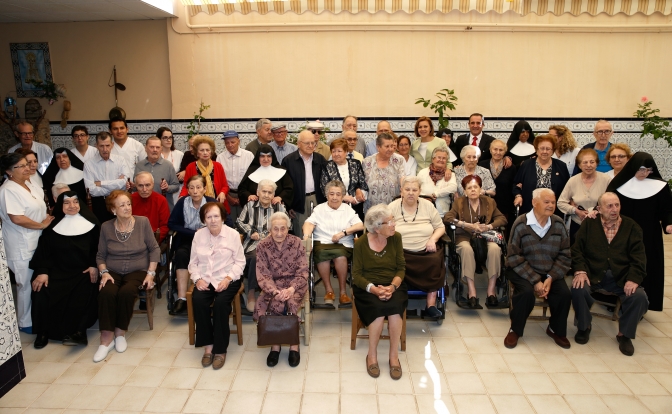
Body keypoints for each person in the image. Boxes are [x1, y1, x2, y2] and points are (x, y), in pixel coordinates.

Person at [571, 192, 649, 355]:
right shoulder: (589, 224)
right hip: (592, 273)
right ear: (599, 208)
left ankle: (624, 334)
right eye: (609, 206)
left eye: (617, 205)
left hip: (621, 277)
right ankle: (584, 326)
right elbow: (577, 250)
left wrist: (634, 279)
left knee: (639, 297)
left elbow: (639, 258)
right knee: (578, 288)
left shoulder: (631, 227)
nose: (614, 209)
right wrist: (580, 270)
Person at [94, 190, 160, 362]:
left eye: (128, 204)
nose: (127, 207)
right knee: (106, 292)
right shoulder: (106, 227)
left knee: (127, 291)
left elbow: (154, 249)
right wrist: (104, 272)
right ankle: (106, 339)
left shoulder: (142, 222)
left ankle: (120, 332)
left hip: (137, 269)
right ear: (113, 210)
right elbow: (100, 255)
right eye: (121, 205)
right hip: (112, 270)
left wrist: (151, 274)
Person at [29, 191, 100, 349]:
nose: (72, 206)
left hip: (82, 271)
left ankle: (79, 332)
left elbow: (98, 248)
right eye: (67, 203)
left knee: (89, 284)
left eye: (75, 201)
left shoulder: (92, 224)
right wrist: (42, 271)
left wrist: (93, 265)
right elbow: (44, 251)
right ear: (60, 206)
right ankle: (43, 332)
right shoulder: (52, 226)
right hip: (56, 271)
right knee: (40, 287)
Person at [505, 188, 572, 349]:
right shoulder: (521, 223)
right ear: (534, 203)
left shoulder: (559, 224)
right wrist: (535, 280)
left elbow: (565, 256)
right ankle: (515, 329)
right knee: (526, 293)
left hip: (550, 271)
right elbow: (513, 256)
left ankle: (555, 329)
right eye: (546, 202)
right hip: (522, 270)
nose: (551, 205)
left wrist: (550, 278)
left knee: (564, 294)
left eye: (553, 202)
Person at [607, 152, 672, 311]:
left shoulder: (660, 186)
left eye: (648, 170)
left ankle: (643, 304)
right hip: (622, 233)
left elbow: (667, 209)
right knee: (621, 265)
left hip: (649, 235)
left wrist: (669, 224)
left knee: (647, 266)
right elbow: (607, 203)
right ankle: (615, 301)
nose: (644, 174)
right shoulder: (620, 184)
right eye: (641, 169)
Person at [0, 153, 53, 333]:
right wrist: (40, 225)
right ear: (8, 172)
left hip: (37, 239)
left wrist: (47, 218)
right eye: (21, 166)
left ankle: (38, 317)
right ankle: (25, 322)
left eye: (26, 164)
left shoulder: (31, 184)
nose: (27, 168)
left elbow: (41, 207)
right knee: (25, 284)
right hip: (20, 243)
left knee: (37, 281)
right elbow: (17, 218)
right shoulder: (8, 190)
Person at [352, 204, 406, 380]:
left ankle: (393, 357)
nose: (393, 224)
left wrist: (392, 286)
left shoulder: (396, 238)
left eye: (393, 220)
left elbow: (401, 268)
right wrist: (374, 289)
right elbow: (357, 275)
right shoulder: (361, 243)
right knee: (376, 311)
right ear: (376, 227)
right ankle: (372, 355)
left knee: (395, 310)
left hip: (393, 284)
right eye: (388, 222)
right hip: (367, 286)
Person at [189, 202, 245, 370]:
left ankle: (220, 351)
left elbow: (240, 263)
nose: (213, 220)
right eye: (208, 217)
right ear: (204, 219)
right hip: (205, 278)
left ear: (222, 218)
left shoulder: (233, 235)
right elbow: (193, 263)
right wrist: (197, 279)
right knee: (198, 300)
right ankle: (208, 346)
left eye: (216, 216)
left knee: (221, 304)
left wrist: (228, 278)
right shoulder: (199, 235)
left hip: (228, 278)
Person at [254, 212, 308, 368]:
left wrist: (291, 289)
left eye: (282, 229)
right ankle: (275, 345)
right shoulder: (263, 246)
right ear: (270, 230)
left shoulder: (297, 242)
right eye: (275, 229)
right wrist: (275, 291)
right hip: (273, 286)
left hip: (295, 284)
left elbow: (303, 271)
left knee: (289, 302)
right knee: (273, 303)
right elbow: (262, 274)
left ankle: (293, 344)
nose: (279, 233)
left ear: (288, 229)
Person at [444, 175, 507, 307]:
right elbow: (448, 218)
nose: (473, 190)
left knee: (495, 249)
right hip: (464, 236)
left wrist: (489, 226)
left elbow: (502, 219)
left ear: (480, 189)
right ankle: (472, 291)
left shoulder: (489, 202)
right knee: (466, 250)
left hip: (485, 236)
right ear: (465, 191)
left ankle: (491, 290)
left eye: (475, 187)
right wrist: (466, 225)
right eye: (469, 188)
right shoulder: (459, 202)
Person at [390, 176, 445, 318]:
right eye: (407, 189)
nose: (411, 193)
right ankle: (394, 301)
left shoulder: (428, 206)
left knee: (435, 260)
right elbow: (383, 227)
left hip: (425, 250)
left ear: (419, 191)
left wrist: (433, 239)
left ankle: (431, 305)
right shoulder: (393, 207)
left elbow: (440, 227)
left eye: (414, 190)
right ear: (401, 191)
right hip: (399, 251)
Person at [303, 180, 364, 306]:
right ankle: (329, 290)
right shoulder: (319, 209)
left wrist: (343, 233)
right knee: (321, 255)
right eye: (331, 194)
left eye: (338, 194)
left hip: (344, 243)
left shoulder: (347, 209)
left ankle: (343, 292)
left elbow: (360, 225)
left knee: (341, 256)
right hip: (323, 241)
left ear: (342, 196)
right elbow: (309, 223)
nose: (335, 197)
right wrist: (306, 235)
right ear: (327, 195)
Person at [236, 179, 289, 312]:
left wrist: (273, 234)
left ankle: (268, 292)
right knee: (256, 256)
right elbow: (239, 222)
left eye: (269, 192)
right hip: (252, 244)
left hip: (274, 246)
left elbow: (288, 226)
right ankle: (251, 292)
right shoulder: (249, 206)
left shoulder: (279, 207)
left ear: (273, 195)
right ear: (257, 192)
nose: (266, 195)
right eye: (263, 191)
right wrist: (250, 232)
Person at [168, 175, 216, 315]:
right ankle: (182, 298)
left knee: (211, 256)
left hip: (209, 240)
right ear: (187, 190)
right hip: (187, 239)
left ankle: (209, 294)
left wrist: (206, 230)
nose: (195, 191)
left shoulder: (211, 203)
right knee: (181, 255)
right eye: (191, 188)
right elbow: (172, 223)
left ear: (204, 189)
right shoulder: (182, 202)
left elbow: (227, 222)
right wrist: (192, 232)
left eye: (198, 187)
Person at [557, 149, 612, 243]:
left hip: (601, 225)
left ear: (597, 163)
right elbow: (561, 203)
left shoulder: (606, 179)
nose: (589, 165)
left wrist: (596, 212)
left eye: (592, 162)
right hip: (578, 225)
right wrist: (576, 211)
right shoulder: (573, 181)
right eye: (585, 162)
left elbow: (612, 202)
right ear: (579, 165)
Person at [282, 131, 327, 239]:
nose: (311, 146)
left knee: (319, 232)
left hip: (318, 200)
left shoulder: (320, 159)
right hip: (298, 204)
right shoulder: (288, 161)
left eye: (313, 143)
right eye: (307, 143)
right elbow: (285, 186)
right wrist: (289, 206)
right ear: (298, 144)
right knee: (302, 235)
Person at [512, 134, 570, 216]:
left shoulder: (561, 166)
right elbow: (516, 184)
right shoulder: (526, 165)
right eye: (542, 148)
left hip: (554, 212)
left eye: (548, 149)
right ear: (536, 150)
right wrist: (518, 196)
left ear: (553, 151)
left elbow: (568, 188)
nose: (545, 151)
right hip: (529, 209)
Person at [83, 132, 132, 224]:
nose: (105, 149)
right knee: (102, 232)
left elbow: (125, 182)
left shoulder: (120, 160)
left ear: (112, 145)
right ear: (96, 146)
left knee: (121, 228)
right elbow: (91, 190)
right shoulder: (88, 164)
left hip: (119, 202)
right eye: (101, 146)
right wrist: (117, 184)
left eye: (107, 145)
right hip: (99, 203)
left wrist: (101, 183)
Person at [320, 138, 368, 220]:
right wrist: (343, 197)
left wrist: (355, 200)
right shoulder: (326, 166)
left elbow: (363, 184)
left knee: (356, 229)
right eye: (333, 151)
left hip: (355, 207)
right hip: (335, 207)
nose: (336, 154)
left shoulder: (355, 163)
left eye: (339, 151)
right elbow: (324, 188)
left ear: (346, 152)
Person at [179, 135, 229, 208]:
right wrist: (182, 196)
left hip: (217, 203)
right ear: (197, 153)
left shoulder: (218, 166)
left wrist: (222, 192)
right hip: (198, 205)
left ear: (211, 152)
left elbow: (225, 186)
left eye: (207, 150)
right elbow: (186, 186)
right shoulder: (190, 167)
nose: (205, 153)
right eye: (202, 150)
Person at [479, 139, 516, 235]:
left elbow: (513, 185)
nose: (498, 152)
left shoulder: (511, 167)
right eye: (495, 149)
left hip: (504, 206)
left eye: (501, 150)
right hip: (484, 205)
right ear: (490, 150)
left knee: (503, 233)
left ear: (505, 152)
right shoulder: (482, 164)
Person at [362, 133, 406, 213]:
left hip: (392, 207)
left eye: (392, 146)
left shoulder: (399, 160)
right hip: (372, 208)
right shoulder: (367, 162)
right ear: (378, 147)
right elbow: (362, 183)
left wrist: (404, 188)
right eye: (387, 146)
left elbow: (402, 177)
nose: (391, 149)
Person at [239, 144, 294, 209]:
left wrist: (280, 197)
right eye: (262, 156)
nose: (266, 159)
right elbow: (242, 189)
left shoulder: (281, 171)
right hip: (255, 210)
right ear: (258, 157)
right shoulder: (251, 172)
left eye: (269, 156)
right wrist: (249, 195)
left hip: (277, 208)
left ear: (272, 157)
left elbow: (289, 189)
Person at [217, 130, 254, 222]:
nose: (230, 145)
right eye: (227, 143)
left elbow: (253, 178)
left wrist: (244, 196)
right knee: (230, 223)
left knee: (246, 223)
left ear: (239, 141)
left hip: (246, 195)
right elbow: (219, 180)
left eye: (232, 142)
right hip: (227, 195)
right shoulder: (220, 157)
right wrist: (229, 198)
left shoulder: (249, 156)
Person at [135, 136, 180, 211]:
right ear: (145, 148)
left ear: (161, 149)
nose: (155, 150)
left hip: (164, 208)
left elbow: (176, 186)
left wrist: (167, 187)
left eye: (157, 147)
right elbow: (136, 187)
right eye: (152, 147)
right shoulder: (139, 165)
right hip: (144, 208)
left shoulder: (168, 165)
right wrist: (132, 185)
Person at [417, 148, 457, 216]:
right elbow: (416, 187)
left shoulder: (450, 174)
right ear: (433, 159)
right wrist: (425, 197)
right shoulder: (423, 172)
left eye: (444, 158)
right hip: (423, 210)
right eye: (439, 157)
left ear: (446, 161)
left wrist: (436, 194)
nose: (441, 160)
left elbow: (453, 187)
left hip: (442, 212)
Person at [131, 172, 170, 242]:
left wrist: (153, 241)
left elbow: (165, 226)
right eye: (140, 185)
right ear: (136, 186)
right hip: (133, 239)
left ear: (153, 185)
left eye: (147, 185)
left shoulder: (161, 200)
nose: (144, 189)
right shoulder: (130, 200)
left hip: (154, 240)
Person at [157, 127, 184, 207]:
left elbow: (185, 169)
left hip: (176, 189)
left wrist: (184, 171)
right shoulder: (156, 155)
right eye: (165, 138)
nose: (168, 140)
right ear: (159, 139)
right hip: (159, 188)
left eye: (170, 137)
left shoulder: (179, 154)